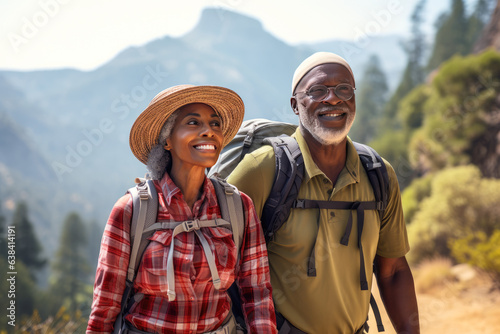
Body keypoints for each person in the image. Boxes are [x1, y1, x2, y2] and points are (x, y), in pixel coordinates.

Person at [227, 52, 420, 333]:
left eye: (344, 89)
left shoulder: (378, 174)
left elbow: (392, 271)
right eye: (318, 90)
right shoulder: (262, 170)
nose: (333, 99)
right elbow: (215, 267)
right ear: (295, 105)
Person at [87, 84, 277, 334]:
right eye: (193, 123)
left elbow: (257, 295)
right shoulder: (132, 210)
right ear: (167, 140)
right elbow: (105, 309)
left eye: (215, 124)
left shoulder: (238, 207)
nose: (209, 132)